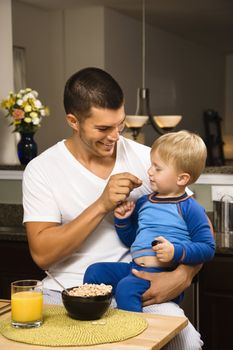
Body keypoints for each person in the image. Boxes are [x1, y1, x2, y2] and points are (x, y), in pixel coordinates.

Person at [23, 67, 204, 349]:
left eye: (119, 124)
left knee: (187, 343)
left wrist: (182, 276)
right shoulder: (42, 169)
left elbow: (198, 226)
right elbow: (42, 254)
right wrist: (101, 204)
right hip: (64, 291)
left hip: (139, 284)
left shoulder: (149, 159)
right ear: (73, 121)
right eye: (103, 128)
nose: (115, 136)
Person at [84, 130, 215, 312]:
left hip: (160, 275)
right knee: (95, 272)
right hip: (135, 268)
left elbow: (207, 248)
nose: (149, 172)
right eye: (151, 165)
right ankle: (94, 318)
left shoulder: (190, 208)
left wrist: (175, 252)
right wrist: (122, 221)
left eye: (157, 168)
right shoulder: (145, 202)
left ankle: (133, 333)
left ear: (182, 178)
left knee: (126, 288)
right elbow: (132, 240)